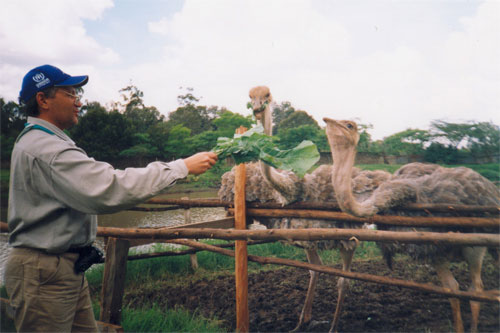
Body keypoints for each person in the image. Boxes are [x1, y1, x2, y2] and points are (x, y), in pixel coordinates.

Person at [4, 64, 218, 332]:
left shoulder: (45, 141)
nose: (78, 102)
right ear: (43, 99)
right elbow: (109, 187)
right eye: (70, 94)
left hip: (62, 268)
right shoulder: (46, 148)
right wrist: (180, 167)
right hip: (45, 272)